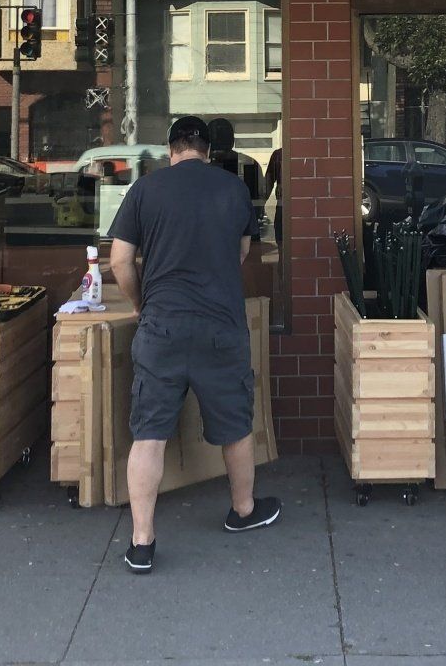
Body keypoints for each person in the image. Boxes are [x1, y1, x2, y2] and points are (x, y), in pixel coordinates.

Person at [107, 115, 279, 573]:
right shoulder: (234, 190)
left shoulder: (146, 189)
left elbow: (120, 261)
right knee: (235, 426)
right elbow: (243, 252)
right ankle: (243, 510)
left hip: (162, 326)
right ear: (208, 149)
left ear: (172, 148)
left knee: (149, 434)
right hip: (220, 326)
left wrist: (144, 303)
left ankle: (142, 543)